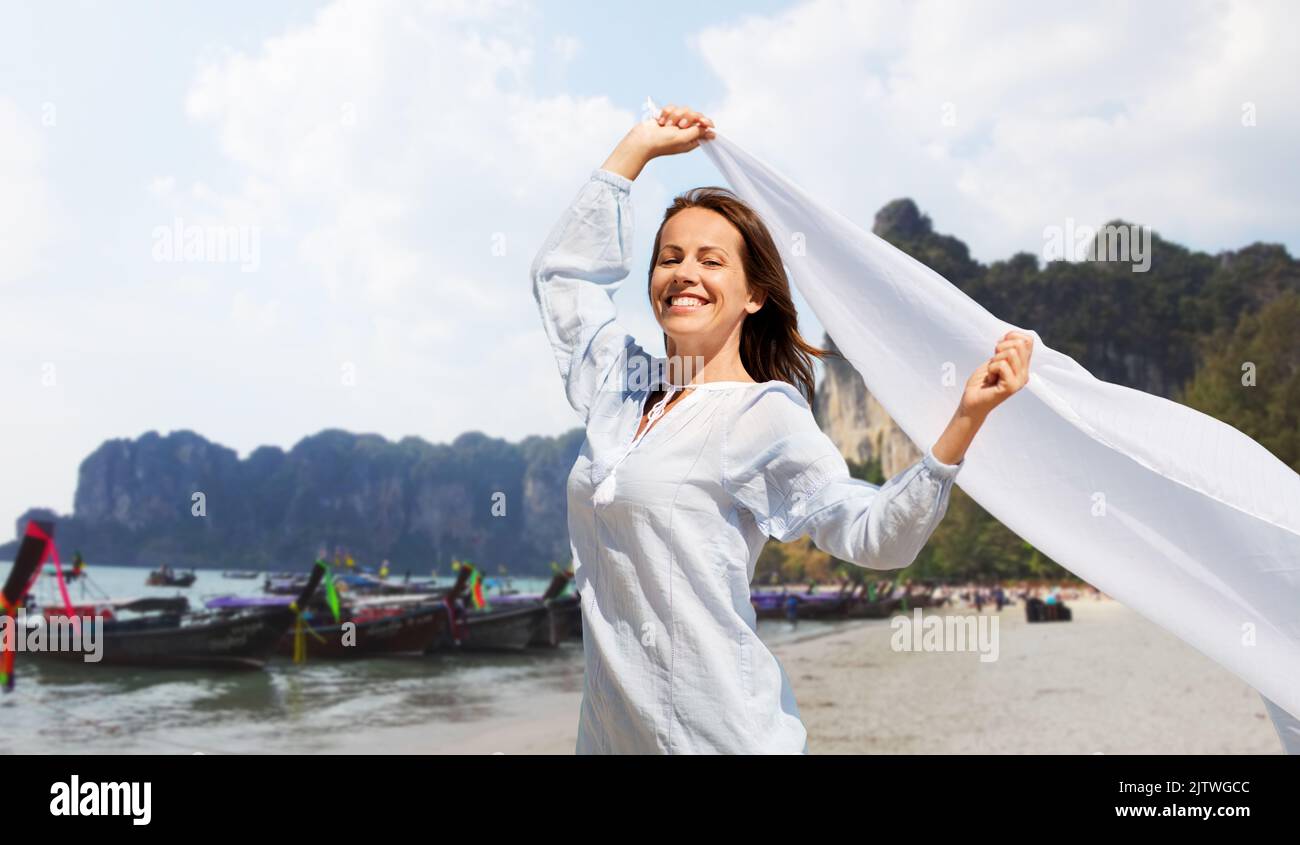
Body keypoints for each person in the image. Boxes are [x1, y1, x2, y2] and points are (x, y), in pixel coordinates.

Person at [531, 103, 1034, 754]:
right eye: (670, 257)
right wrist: (634, 151)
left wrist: (965, 420)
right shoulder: (619, 386)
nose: (685, 272)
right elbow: (562, 278)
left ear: (753, 294)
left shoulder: (759, 412)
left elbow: (873, 533)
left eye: (712, 261)